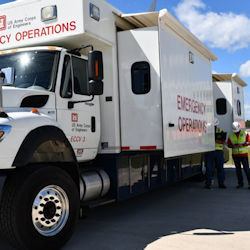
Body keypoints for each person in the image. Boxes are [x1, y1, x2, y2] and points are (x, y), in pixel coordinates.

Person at [204, 118, 226, 189]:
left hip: (218, 151)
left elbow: (223, 142)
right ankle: (208, 183)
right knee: (209, 168)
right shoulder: (206, 131)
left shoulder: (220, 131)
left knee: (220, 168)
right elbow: (203, 142)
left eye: (215, 126)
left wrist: (216, 140)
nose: (214, 127)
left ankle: (221, 184)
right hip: (209, 151)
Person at [227, 121, 250, 189]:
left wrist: (243, 144)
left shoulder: (245, 133)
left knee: (246, 169)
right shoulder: (231, 135)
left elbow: (249, 142)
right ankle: (240, 183)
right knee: (238, 170)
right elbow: (228, 144)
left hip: (244, 155)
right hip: (235, 155)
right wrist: (232, 146)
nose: (235, 132)